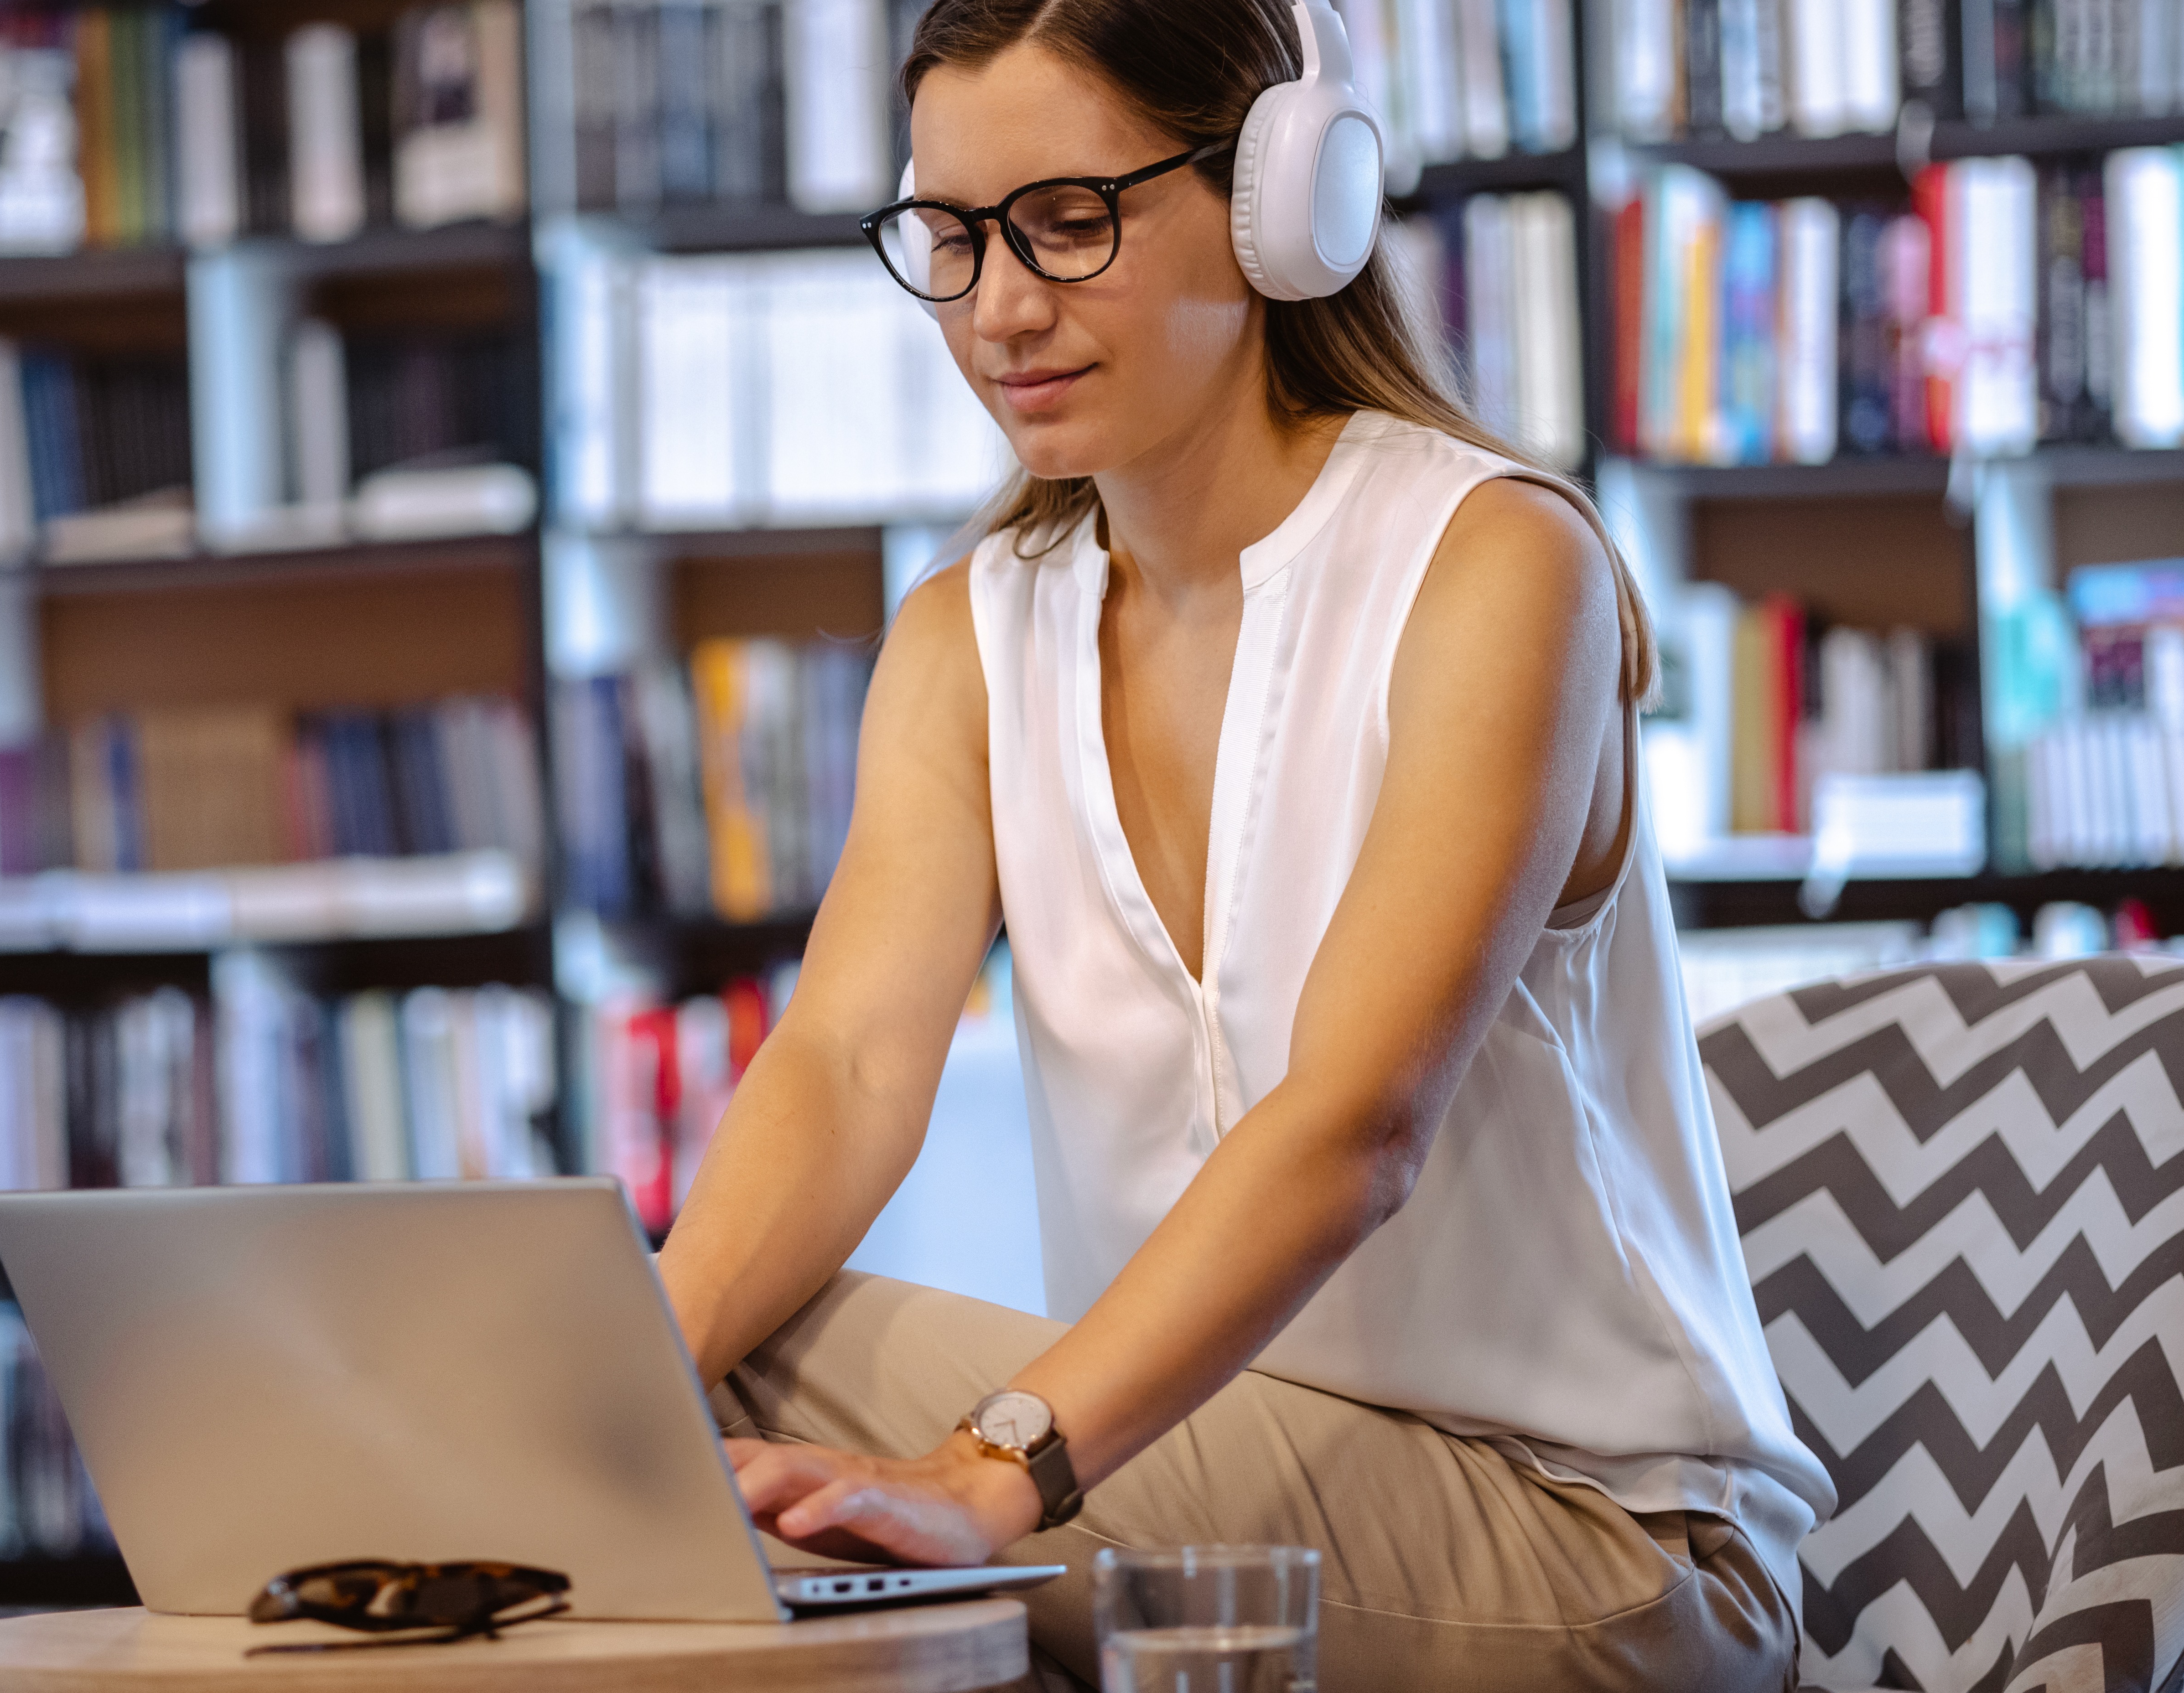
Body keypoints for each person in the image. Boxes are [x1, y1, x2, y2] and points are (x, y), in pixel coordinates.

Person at [646, 0, 1832, 1687]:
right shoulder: (964, 637)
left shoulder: (1495, 568)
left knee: (752, 1381)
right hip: (1208, 1471)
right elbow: (841, 1066)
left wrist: (992, 1476)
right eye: (950, 237)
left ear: (1286, 201)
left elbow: (1357, 1125)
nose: (998, 308)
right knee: (694, 1354)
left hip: (1598, 1551)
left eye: (1067, 221)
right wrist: (616, 1392)